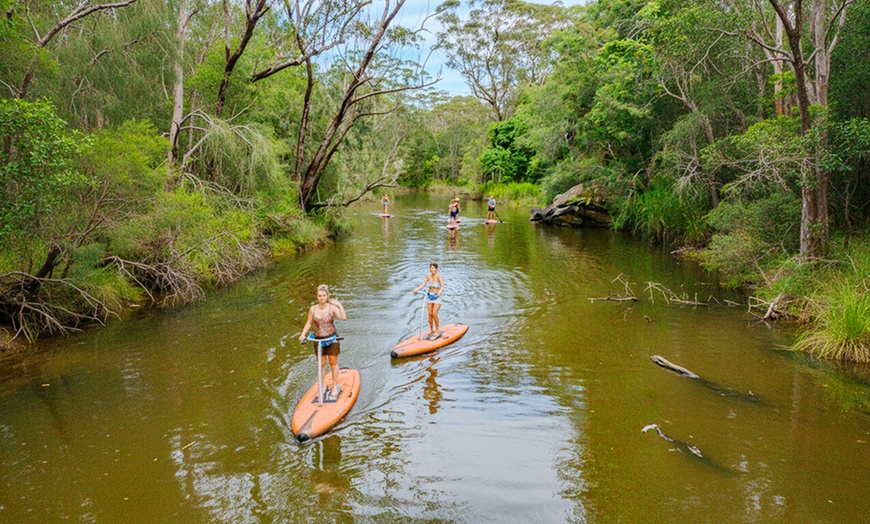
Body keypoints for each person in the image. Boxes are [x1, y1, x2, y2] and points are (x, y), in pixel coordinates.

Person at [299, 284, 347, 399]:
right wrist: (303, 334)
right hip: (318, 339)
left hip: (332, 339)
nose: (322, 298)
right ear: (317, 297)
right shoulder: (313, 309)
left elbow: (343, 317)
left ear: (327, 296)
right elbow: (309, 323)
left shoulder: (332, 308)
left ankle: (334, 386)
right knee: (321, 364)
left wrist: (339, 305)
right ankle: (323, 385)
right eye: (320, 296)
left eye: (324, 296)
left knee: (333, 363)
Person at [412, 263, 444, 339]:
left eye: (433, 268)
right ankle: (431, 330)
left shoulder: (439, 276)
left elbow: (442, 286)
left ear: (436, 269)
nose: (432, 270)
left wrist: (440, 291)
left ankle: (437, 329)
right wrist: (416, 289)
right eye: (431, 268)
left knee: (434, 313)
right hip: (429, 296)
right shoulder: (428, 276)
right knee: (430, 314)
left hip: (437, 296)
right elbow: (423, 284)